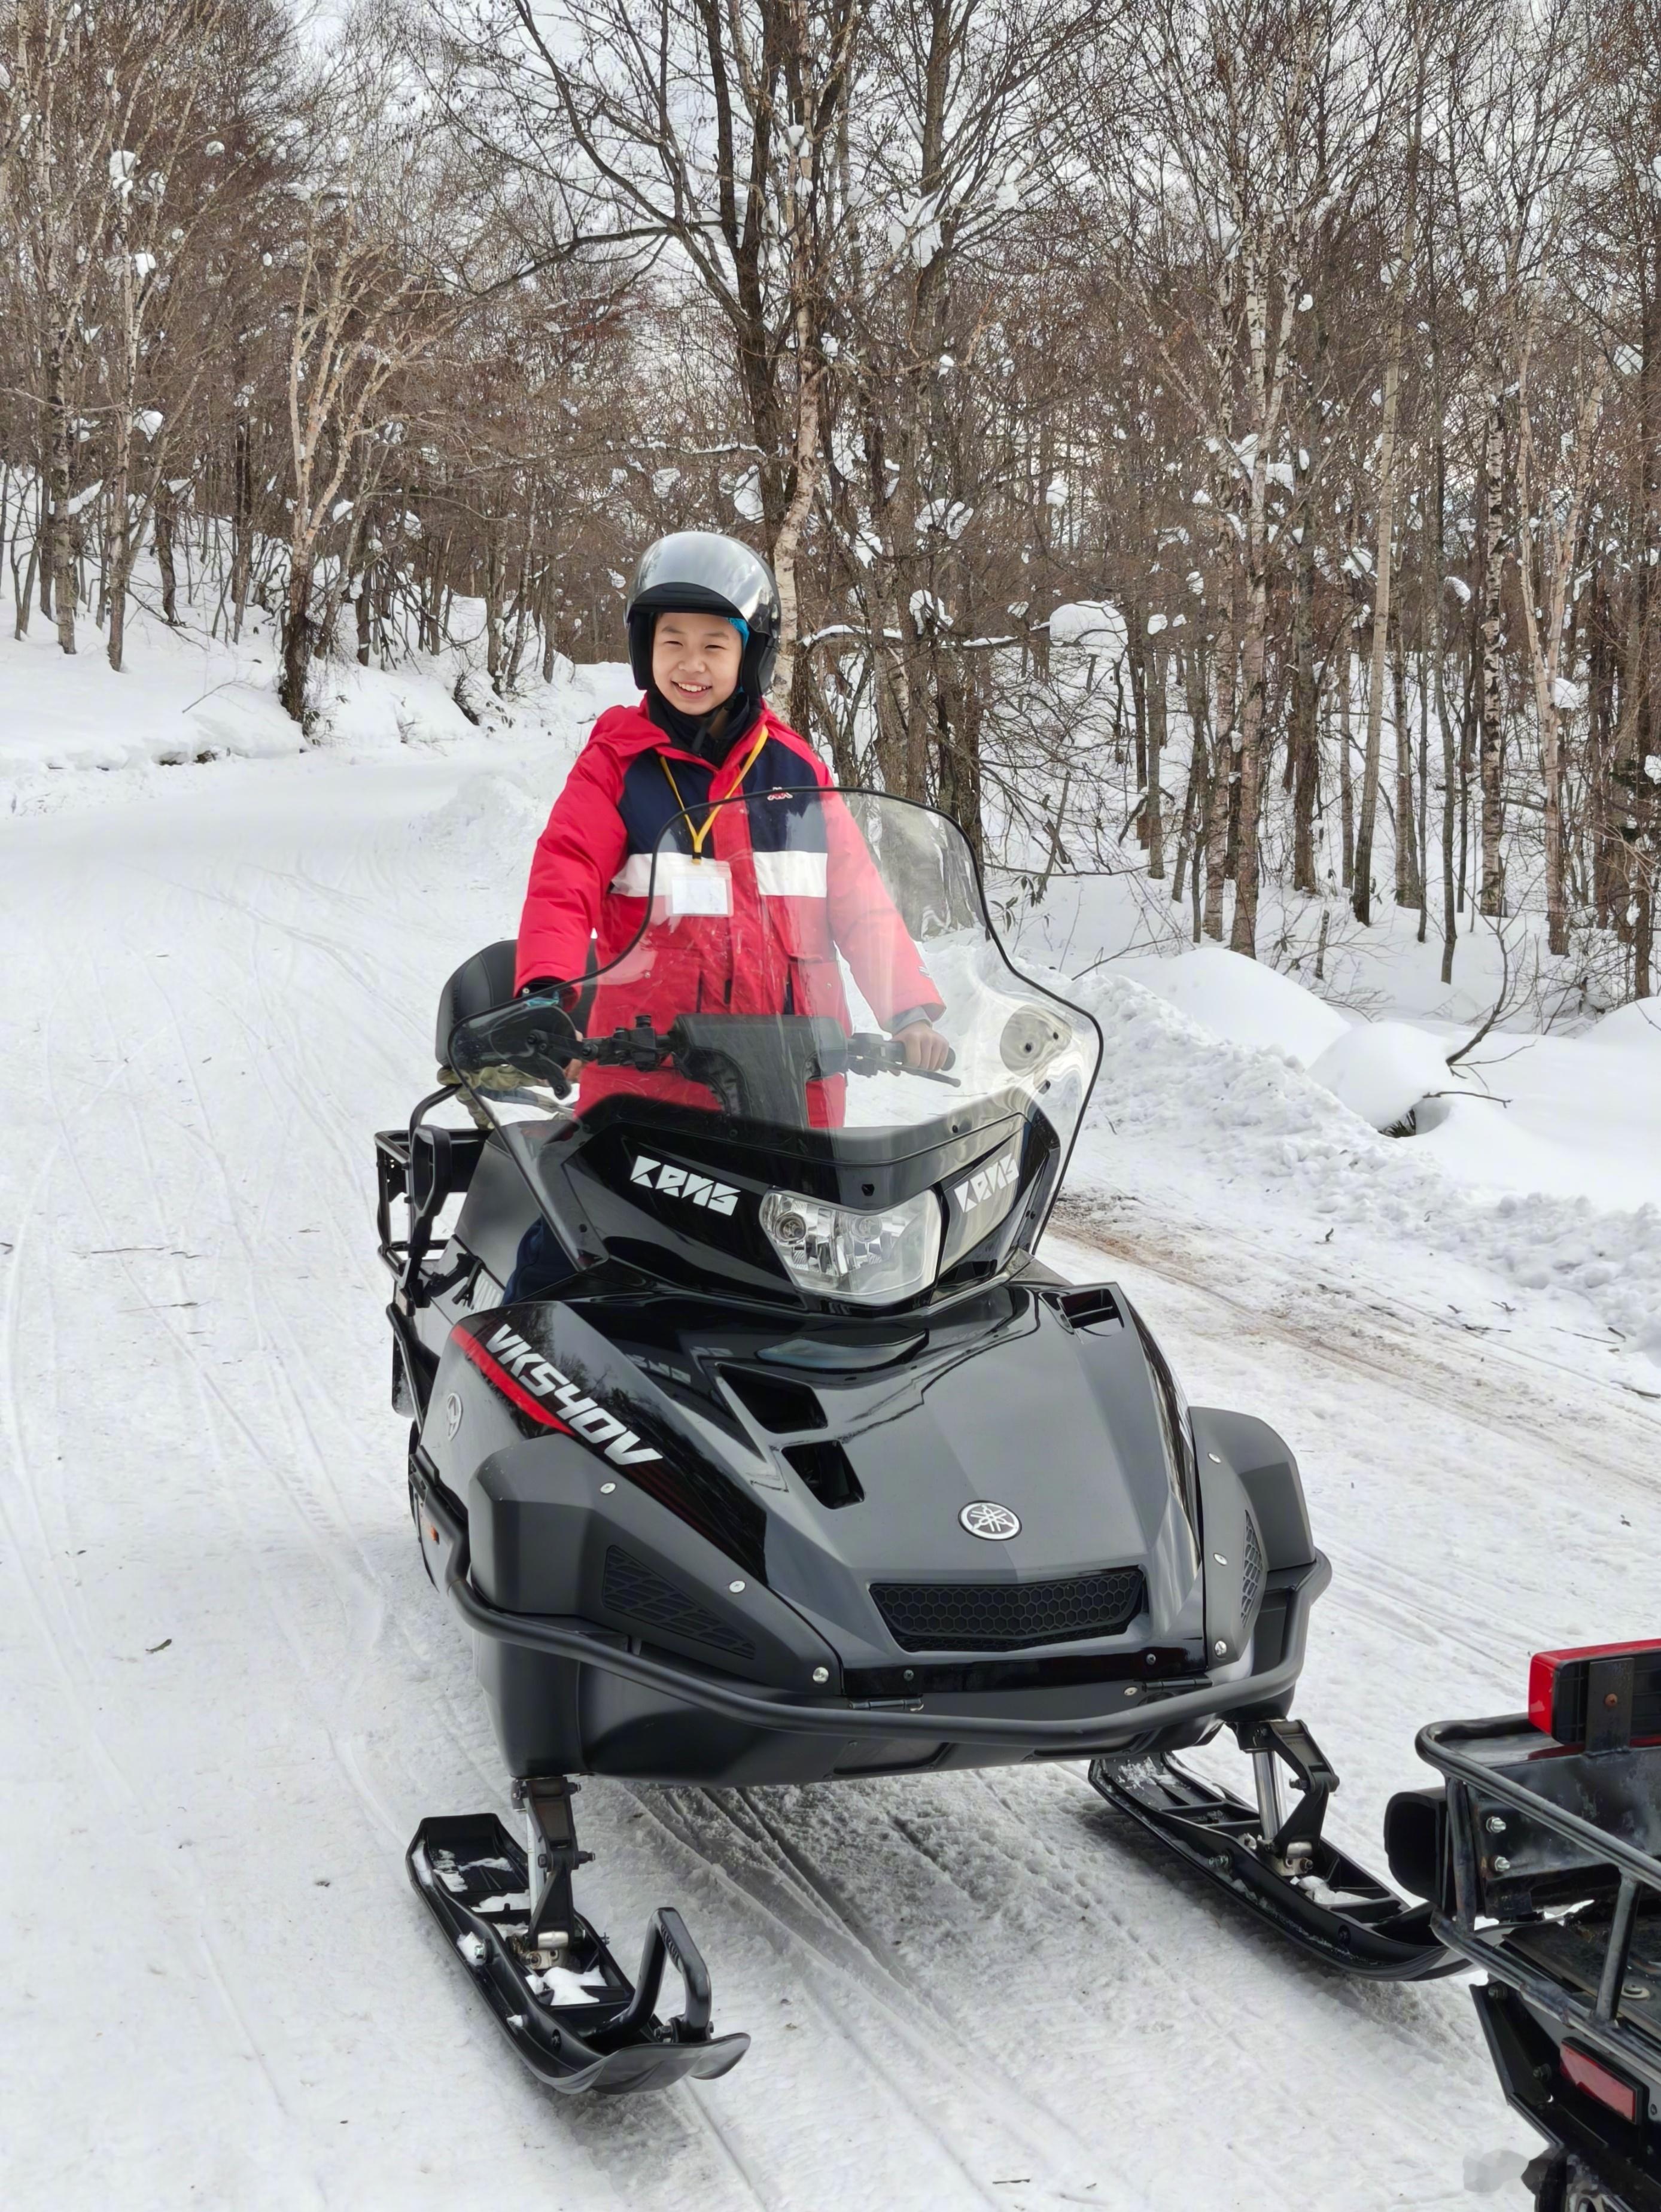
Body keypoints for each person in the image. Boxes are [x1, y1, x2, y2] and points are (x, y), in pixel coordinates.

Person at [513, 530, 950, 1130]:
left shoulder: (796, 769)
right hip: (651, 1074)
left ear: (751, 656)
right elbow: (565, 878)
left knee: (825, 1220)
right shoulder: (616, 765)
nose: (691, 665)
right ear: (647, 650)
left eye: (715, 646)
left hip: (795, 1075)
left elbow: (858, 898)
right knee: (581, 1218)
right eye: (672, 642)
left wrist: (909, 1011)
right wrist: (545, 992)